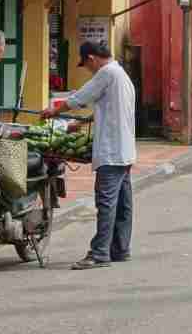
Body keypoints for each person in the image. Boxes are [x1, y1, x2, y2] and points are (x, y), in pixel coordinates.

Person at [42, 41, 137, 269]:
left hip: (111, 151)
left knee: (106, 203)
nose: (87, 68)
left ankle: (99, 253)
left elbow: (80, 98)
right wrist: (83, 122)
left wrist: (54, 110)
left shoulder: (106, 73)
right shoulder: (121, 75)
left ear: (92, 58)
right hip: (124, 149)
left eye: (86, 64)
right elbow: (111, 109)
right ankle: (120, 249)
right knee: (123, 204)